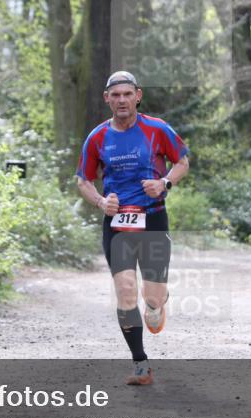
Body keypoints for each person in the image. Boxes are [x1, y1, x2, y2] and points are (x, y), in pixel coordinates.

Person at [76, 71, 190, 385]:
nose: (122, 100)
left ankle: (157, 303)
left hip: (153, 219)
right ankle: (141, 364)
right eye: (116, 95)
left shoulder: (157, 129)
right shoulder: (97, 137)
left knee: (152, 298)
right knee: (126, 292)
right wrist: (101, 202)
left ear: (138, 96)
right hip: (117, 224)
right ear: (107, 99)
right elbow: (83, 180)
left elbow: (182, 162)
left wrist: (165, 183)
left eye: (127, 94)